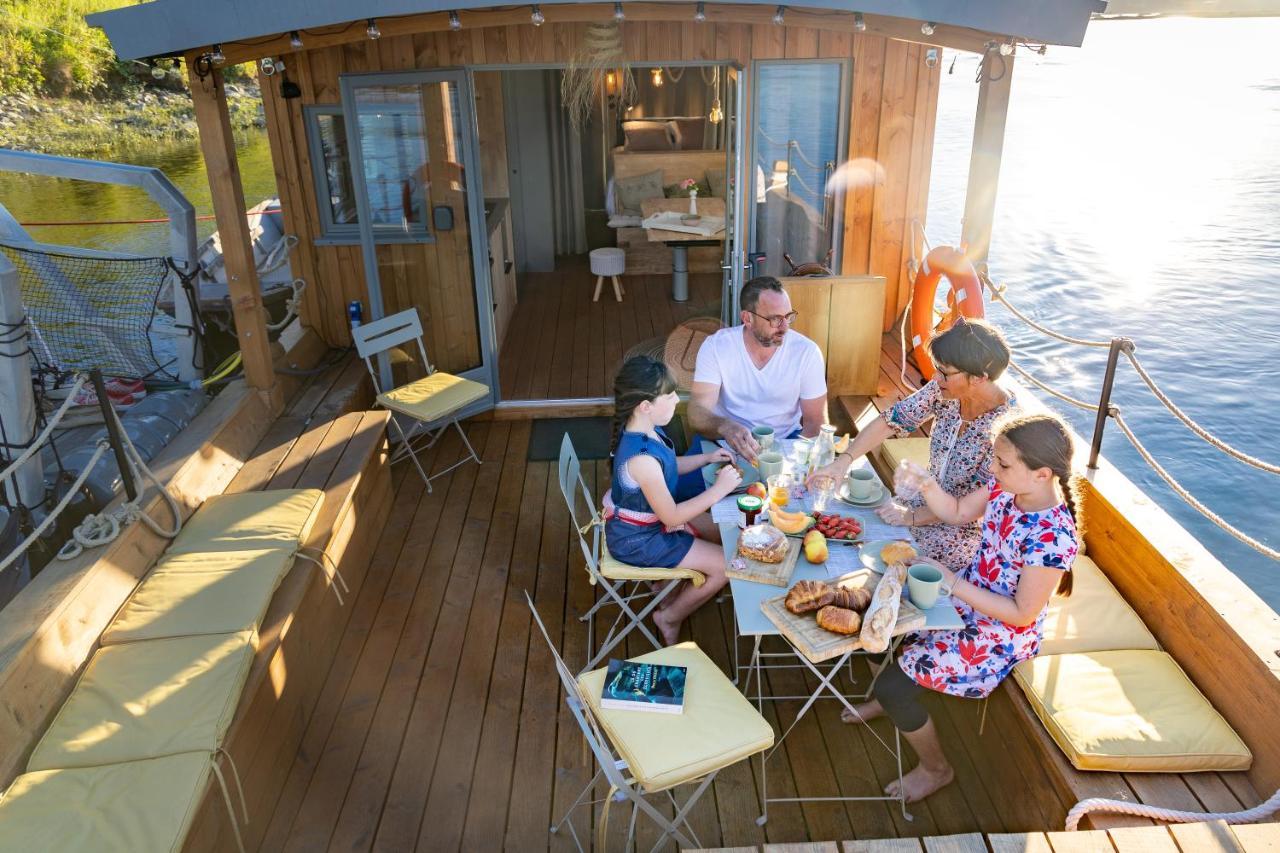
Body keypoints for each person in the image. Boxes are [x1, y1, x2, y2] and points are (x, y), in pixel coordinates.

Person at [843, 412, 1081, 803]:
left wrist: (952, 583)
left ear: (1041, 474)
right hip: (965, 594)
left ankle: (936, 769)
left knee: (894, 686)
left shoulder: (1052, 537)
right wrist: (926, 483)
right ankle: (883, 702)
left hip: (999, 631)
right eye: (994, 459)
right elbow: (956, 512)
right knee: (875, 616)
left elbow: (1022, 614)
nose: (992, 468)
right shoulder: (1006, 489)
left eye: (1002, 464)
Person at [808, 318, 1016, 572]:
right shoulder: (945, 391)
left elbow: (971, 506)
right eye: (937, 369)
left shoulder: (1007, 429)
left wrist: (913, 518)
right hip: (920, 501)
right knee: (853, 527)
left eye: (945, 373)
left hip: (959, 531)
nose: (936, 378)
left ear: (979, 378)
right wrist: (843, 462)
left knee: (883, 558)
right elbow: (890, 421)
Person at [604, 356, 742, 645]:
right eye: (669, 395)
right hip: (640, 539)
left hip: (648, 523)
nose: (676, 400)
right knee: (728, 564)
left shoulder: (644, 430)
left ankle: (667, 588)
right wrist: (719, 489)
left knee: (724, 532)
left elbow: (668, 464)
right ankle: (669, 616)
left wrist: (706, 458)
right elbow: (672, 517)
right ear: (646, 405)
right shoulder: (641, 459)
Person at [687, 276, 828, 463]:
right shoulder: (716, 347)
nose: (785, 327)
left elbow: (816, 422)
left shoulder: (807, 352)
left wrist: (796, 462)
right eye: (775, 319)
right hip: (724, 440)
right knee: (680, 487)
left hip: (785, 441)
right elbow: (697, 412)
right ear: (747, 318)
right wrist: (725, 427)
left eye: (788, 317)